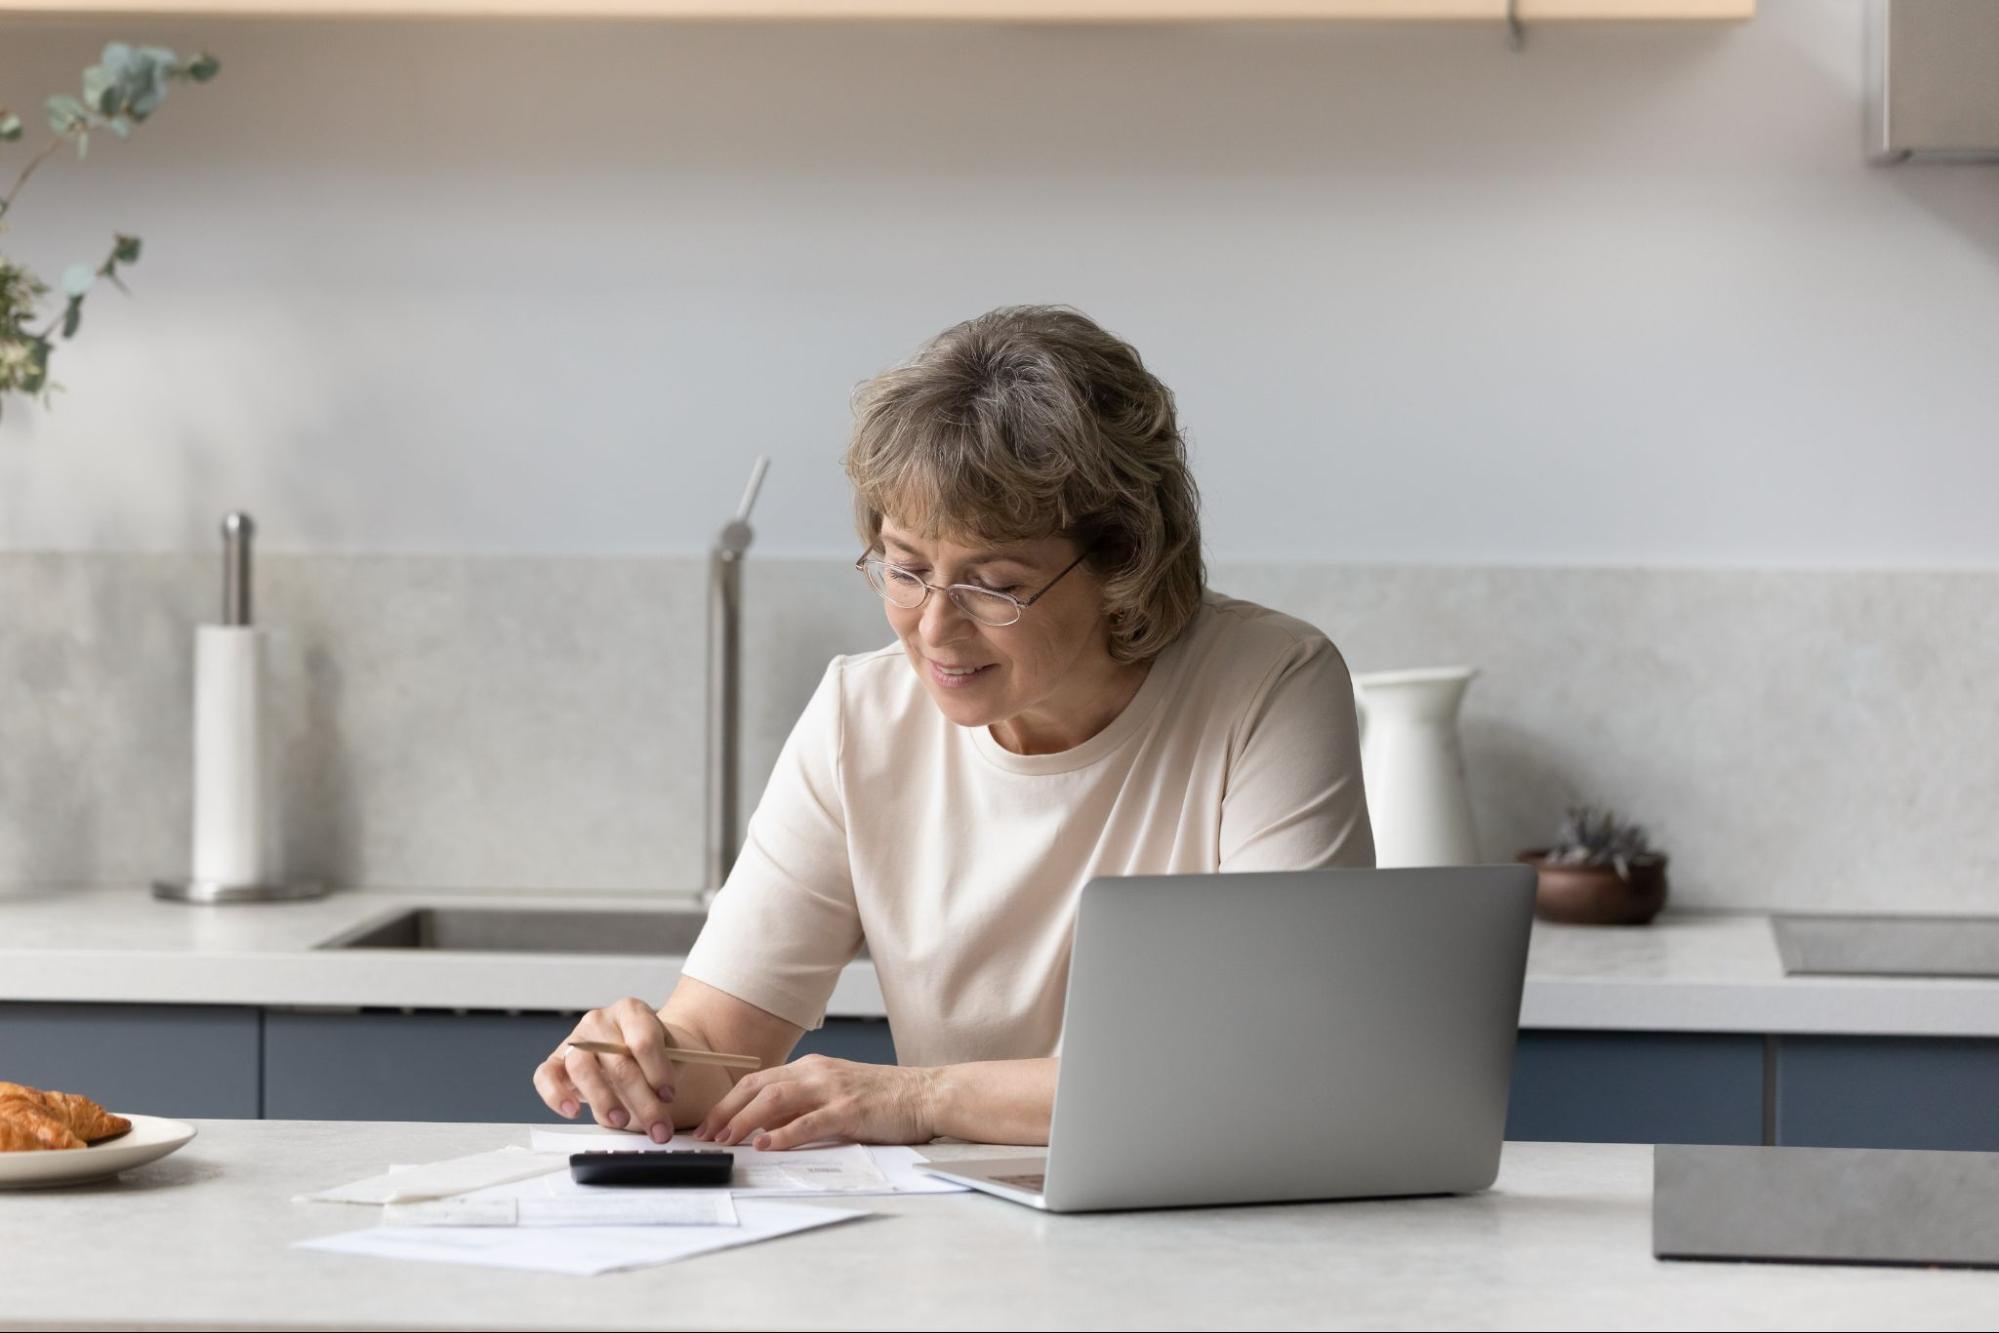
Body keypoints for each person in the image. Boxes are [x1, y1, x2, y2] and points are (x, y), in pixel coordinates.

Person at [533, 305, 1373, 1150]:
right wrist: (638, 1063)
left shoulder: (1268, 684)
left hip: (1215, 1232)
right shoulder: (858, 717)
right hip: (959, 1248)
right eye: (904, 569)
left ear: (1123, 562)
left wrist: (920, 1097)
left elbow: (1275, 1057)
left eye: (993, 583)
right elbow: (720, 1044)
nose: (932, 629)